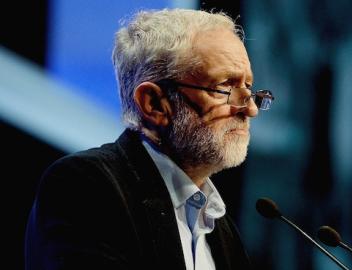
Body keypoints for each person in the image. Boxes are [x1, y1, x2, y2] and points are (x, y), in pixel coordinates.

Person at [24, 8, 274, 270]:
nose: (251, 109)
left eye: (248, 88)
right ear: (154, 103)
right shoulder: (84, 186)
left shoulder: (220, 227)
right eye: (225, 87)